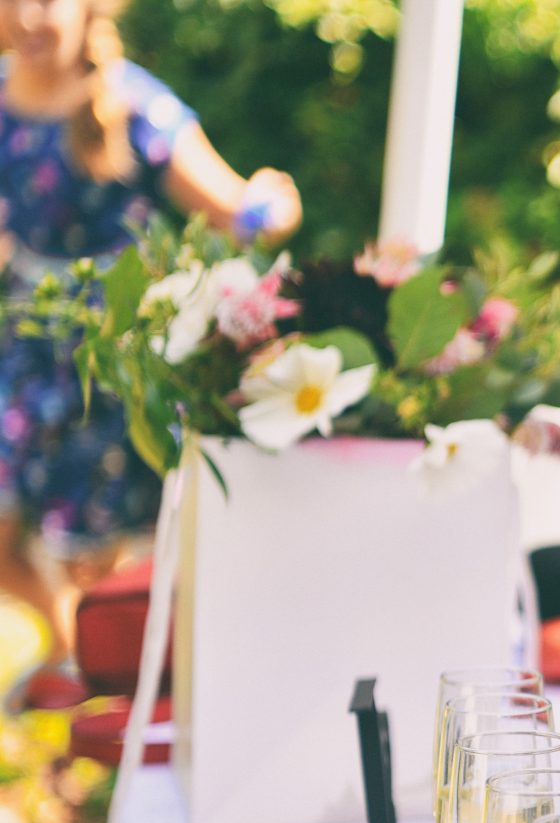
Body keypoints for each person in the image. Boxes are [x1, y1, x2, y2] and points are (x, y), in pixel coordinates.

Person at [0, 0, 299, 700]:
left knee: (94, 551)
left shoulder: (131, 103)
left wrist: (270, 207)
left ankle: (103, 680)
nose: (35, 16)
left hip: (109, 354)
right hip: (23, 344)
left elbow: (234, 211)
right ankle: (70, 647)